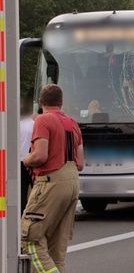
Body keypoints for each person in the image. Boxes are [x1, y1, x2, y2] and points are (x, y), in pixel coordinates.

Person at [21, 84, 84, 273]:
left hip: (51, 181)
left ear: (40, 102)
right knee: (56, 248)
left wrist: (26, 159)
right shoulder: (73, 123)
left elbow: (40, 155)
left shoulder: (43, 120)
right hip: (72, 180)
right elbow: (80, 162)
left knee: (30, 238)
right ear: (61, 102)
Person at [20, 102, 35, 214]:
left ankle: (22, 213)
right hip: (33, 160)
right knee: (36, 189)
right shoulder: (35, 124)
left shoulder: (17, 125)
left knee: (22, 190)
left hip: (20, 161)